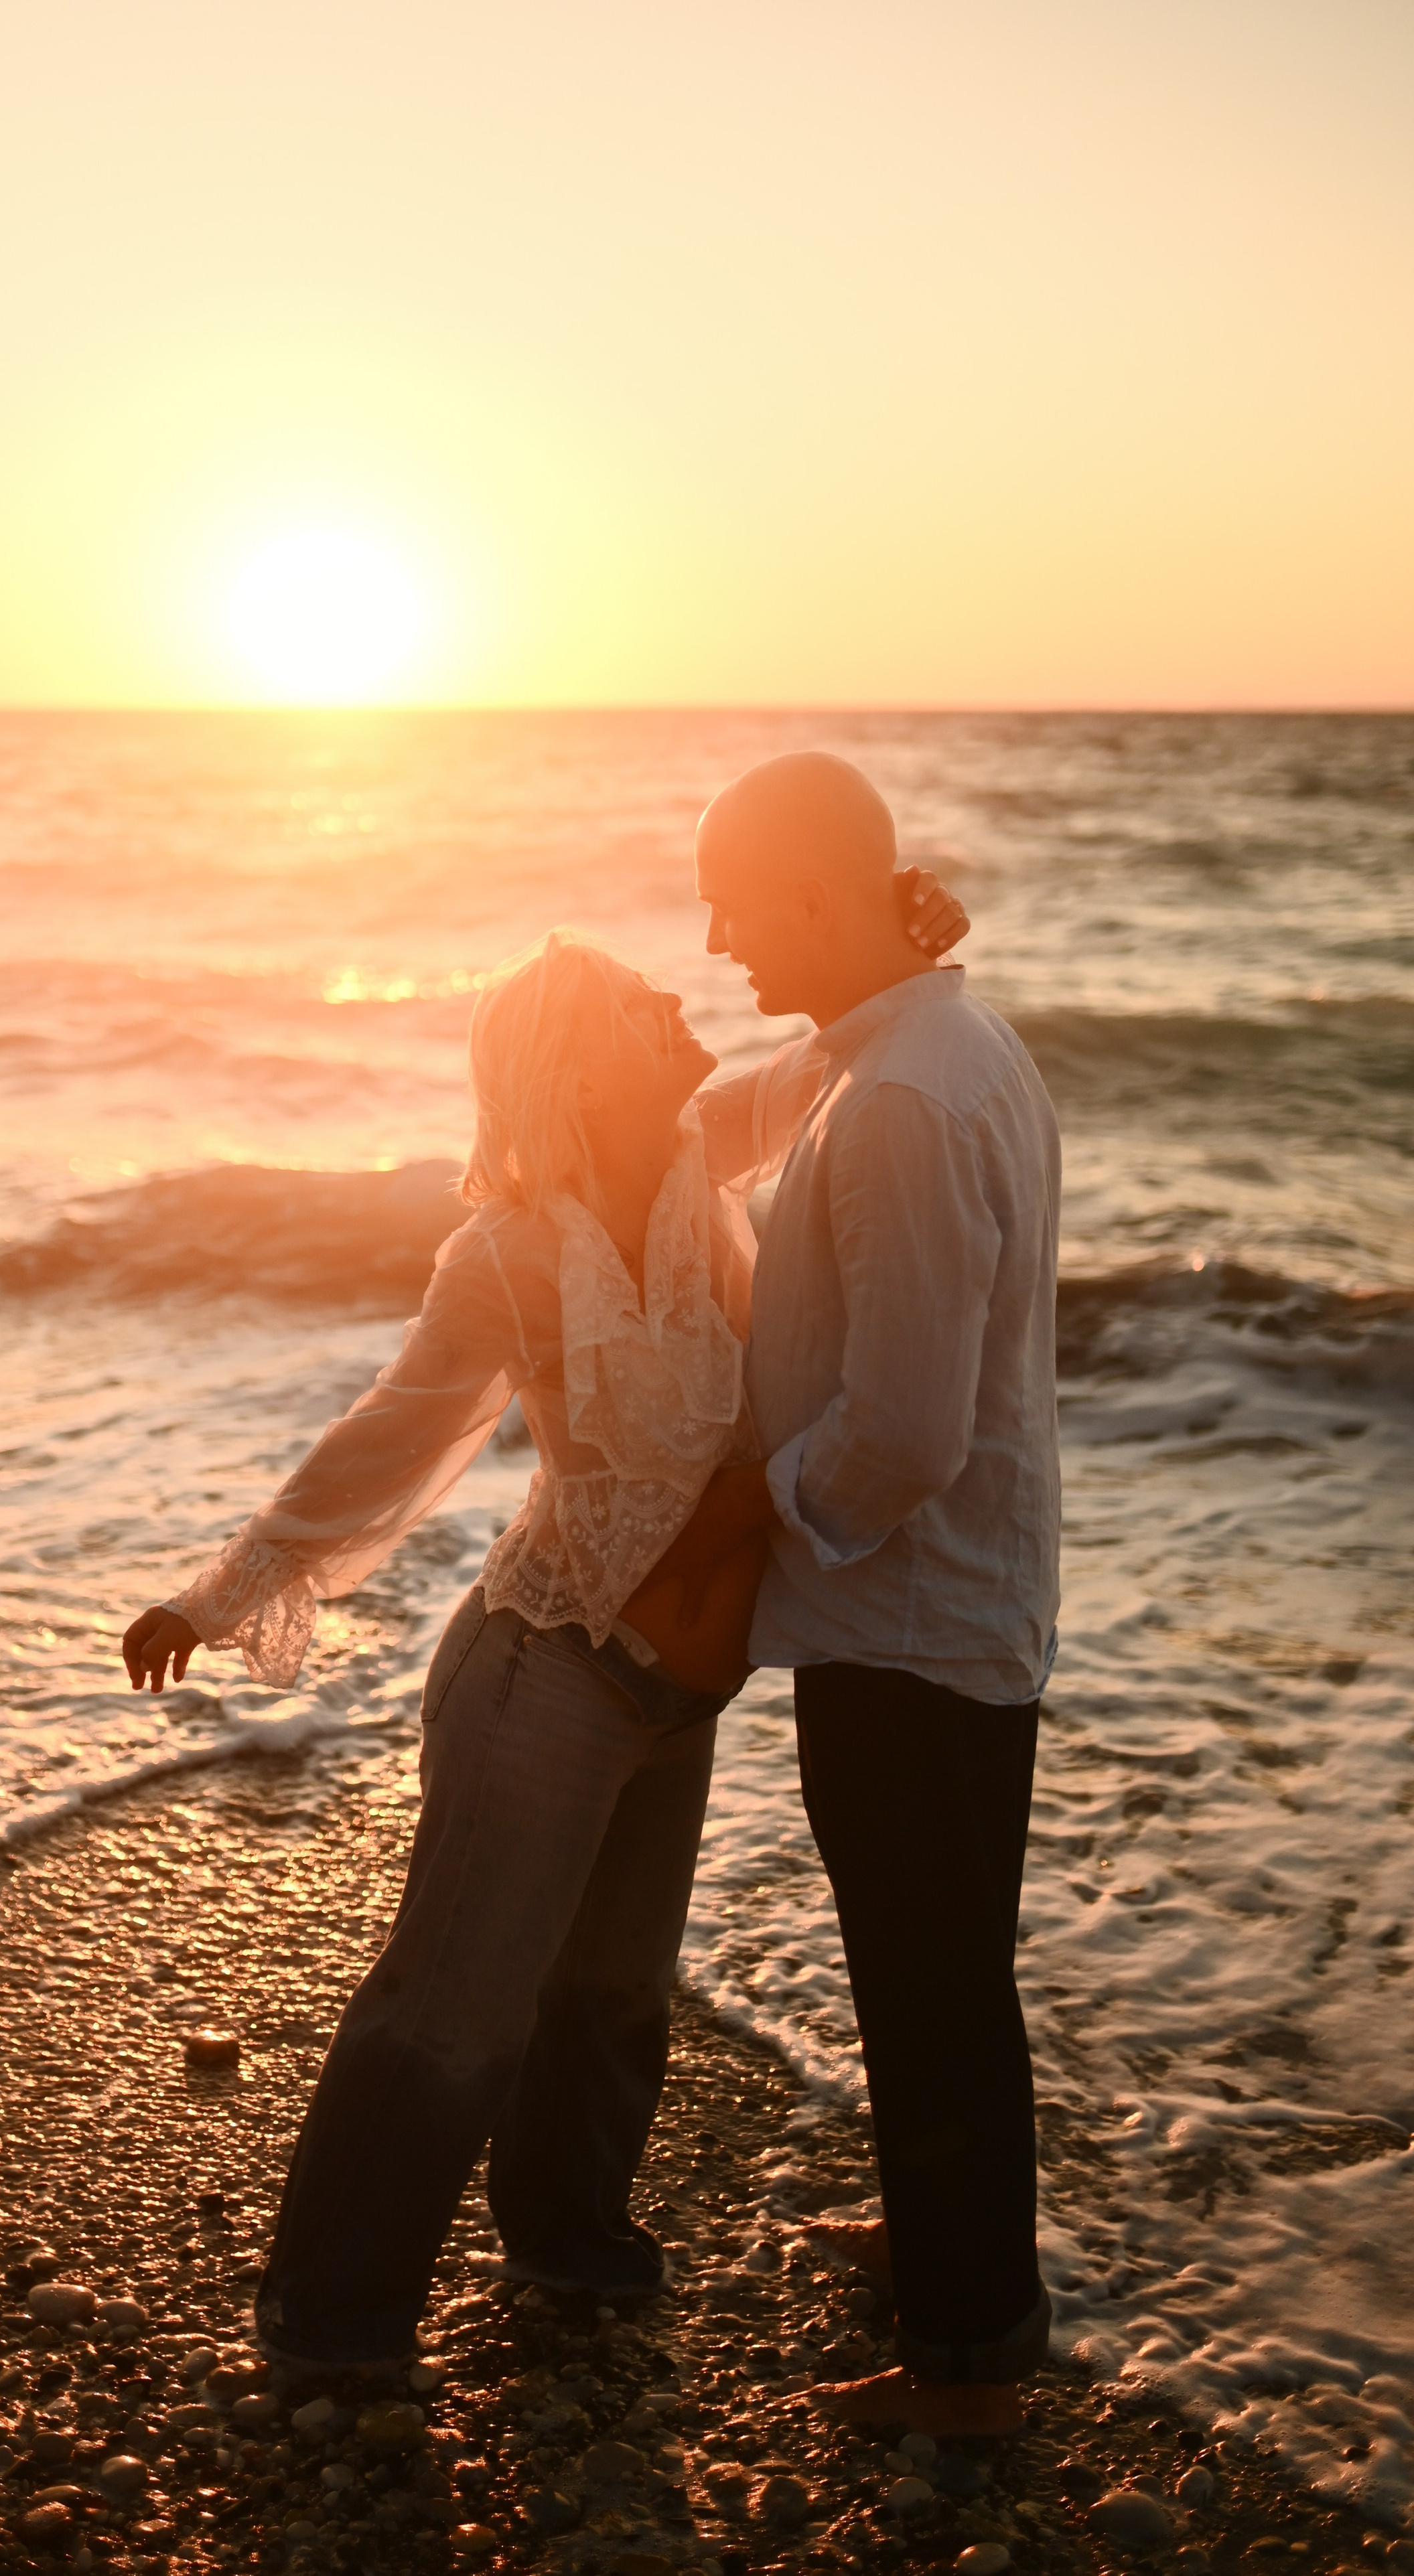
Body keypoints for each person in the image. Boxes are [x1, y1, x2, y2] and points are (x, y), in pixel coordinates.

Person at [120, 869, 966, 2372]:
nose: (674, 1003)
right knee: (450, 2008)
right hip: (544, 1671)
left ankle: (566, 2244)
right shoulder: (508, 1254)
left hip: (676, 1693)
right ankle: (328, 2318)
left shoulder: (703, 1151)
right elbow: (393, 1432)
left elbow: (839, 1047)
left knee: (611, 1994)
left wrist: (901, 928)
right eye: (640, 1006)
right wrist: (223, 1587)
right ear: (583, 1069)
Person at [653, 751, 1061, 2436]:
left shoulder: (900, 1100)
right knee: (941, 1954)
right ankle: (936, 2242)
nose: (716, 937)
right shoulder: (909, 1050)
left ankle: (968, 2371)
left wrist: (737, 1505)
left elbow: (899, 1429)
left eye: (733, 902)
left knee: (929, 1975)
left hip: (905, 1615)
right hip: (951, 1608)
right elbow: (720, 1122)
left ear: (816, 895)